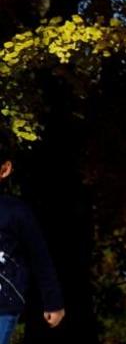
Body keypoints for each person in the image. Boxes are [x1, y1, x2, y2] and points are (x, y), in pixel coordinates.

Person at [0, 136, 65, 339]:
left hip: (3, 305)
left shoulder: (17, 212)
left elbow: (40, 257)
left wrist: (53, 301)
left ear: (5, 170)